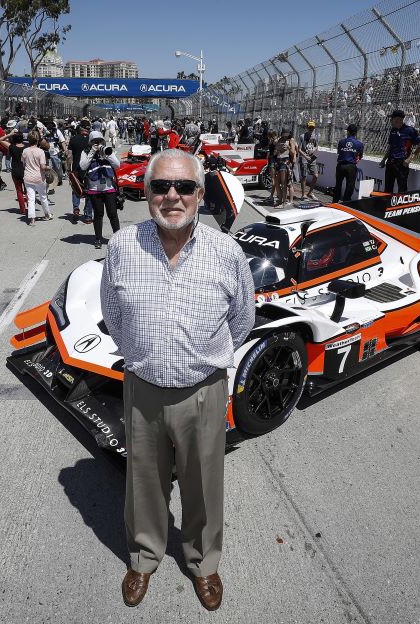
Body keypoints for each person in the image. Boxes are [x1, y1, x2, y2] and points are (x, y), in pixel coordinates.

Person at [99, 148, 255, 611]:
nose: (172, 196)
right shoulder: (123, 247)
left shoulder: (226, 252)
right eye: (160, 187)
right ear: (146, 193)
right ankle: (144, 556)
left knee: (203, 484)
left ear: (200, 195)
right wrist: (143, 355)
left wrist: (203, 355)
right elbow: (113, 313)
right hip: (142, 389)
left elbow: (242, 318)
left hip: (203, 392)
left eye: (184, 187)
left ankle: (203, 563)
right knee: (143, 483)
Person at [80, 131, 120, 249]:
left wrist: (107, 154)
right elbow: (83, 166)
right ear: (90, 142)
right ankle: (98, 238)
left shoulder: (107, 149)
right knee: (98, 214)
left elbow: (117, 165)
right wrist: (92, 152)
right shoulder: (86, 152)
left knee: (113, 214)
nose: (97, 143)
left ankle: (118, 238)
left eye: (99, 141)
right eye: (94, 141)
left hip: (109, 188)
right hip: (94, 188)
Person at [379, 110, 420, 194]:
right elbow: (391, 146)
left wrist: (409, 159)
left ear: (398, 119)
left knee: (401, 190)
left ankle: (401, 206)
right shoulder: (393, 130)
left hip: (401, 163)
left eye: (392, 118)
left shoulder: (410, 130)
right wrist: (384, 160)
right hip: (390, 162)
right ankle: (386, 206)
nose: (391, 120)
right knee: (387, 189)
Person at [22, 130, 50, 225]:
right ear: (38, 140)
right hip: (39, 177)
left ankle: (32, 219)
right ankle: (47, 214)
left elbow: (24, 164)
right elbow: (42, 167)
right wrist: (48, 168)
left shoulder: (25, 151)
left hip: (28, 177)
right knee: (43, 196)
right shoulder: (41, 151)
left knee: (31, 198)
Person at [68, 121, 92, 224]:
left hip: (76, 168)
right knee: (89, 191)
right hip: (89, 169)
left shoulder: (73, 139)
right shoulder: (91, 140)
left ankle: (76, 208)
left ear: (80, 128)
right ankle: (87, 215)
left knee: (76, 189)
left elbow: (69, 156)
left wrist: (69, 169)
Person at [333, 124, 364, 204]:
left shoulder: (341, 142)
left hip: (340, 165)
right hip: (351, 166)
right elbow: (359, 157)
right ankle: (346, 203)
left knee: (338, 185)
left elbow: (339, 152)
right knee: (350, 186)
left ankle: (334, 203)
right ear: (356, 133)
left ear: (348, 132)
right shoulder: (359, 144)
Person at [273, 128, 297, 206]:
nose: (285, 135)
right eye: (284, 133)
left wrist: (288, 147)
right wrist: (278, 149)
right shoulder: (280, 139)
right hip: (278, 161)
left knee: (285, 183)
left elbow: (293, 153)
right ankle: (281, 199)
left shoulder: (291, 140)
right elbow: (275, 152)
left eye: (287, 134)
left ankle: (283, 201)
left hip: (286, 162)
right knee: (277, 182)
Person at [298, 120, 319, 199]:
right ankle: (303, 194)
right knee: (304, 176)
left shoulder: (315, 136)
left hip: (312, 157)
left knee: (316, 175)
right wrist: (305, 156)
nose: (311, 129)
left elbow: (316, 146)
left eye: (312, 127)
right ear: (307, 127)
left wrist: (314, 150)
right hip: (304, 157)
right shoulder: (302, 136)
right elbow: (299, 149)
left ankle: (310, 192)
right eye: (310, 127)